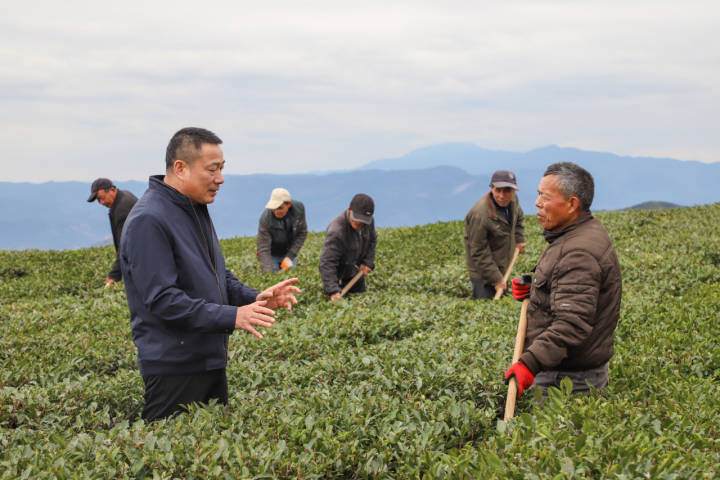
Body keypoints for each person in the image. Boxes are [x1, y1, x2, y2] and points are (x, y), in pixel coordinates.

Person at [119, 127, 301, 422]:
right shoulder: (149, 220)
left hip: (208, 359)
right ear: (181, 168)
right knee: (171, 462)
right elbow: (163, 300)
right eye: (212, 169)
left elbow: (217, 276)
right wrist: (232, 316)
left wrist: (255, 298)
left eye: (222, 168)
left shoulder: (195, 208)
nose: (220, 178)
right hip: (175, 368)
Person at [504, 162, 622, 397]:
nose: (537, 203)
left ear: (572, 204)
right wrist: (536, 286)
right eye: (538, 194)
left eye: (544, 197)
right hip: (567, 369)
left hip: (567, 380)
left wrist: (529, 363)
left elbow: (572, 323)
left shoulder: (579, 252)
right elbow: (567, 286)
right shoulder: (580, 231)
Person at [464, 170, 526, 299]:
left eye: (507, 191)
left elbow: (518, 218)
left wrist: (519, 239)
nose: (502, 196)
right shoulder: (480, 214)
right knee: (486, 308)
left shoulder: (513, 201)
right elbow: (478, 251)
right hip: (483, 273)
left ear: (514, 191)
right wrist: (496, 279)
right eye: (498, 190)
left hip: (503, 265)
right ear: (491, 188)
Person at [319, 193, 377, 300]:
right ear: (350, 210)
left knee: (361, 304)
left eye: (362, 221)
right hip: (339, 278)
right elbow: (327, 263)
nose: (358, 224)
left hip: (356, 274)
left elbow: (372, 240)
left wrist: (367, 262)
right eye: (356, 219)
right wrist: (333, 290)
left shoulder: (368, 221)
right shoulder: (336, 231)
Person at [87, 178, 138, 287]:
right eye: (98, 200)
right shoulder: (124, 196)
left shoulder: (122, 209)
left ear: (112, 190)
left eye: (102, 198)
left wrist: (113, 276)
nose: (101, 203)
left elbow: (124, 246)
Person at [256, 188, 307, 272]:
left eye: (279, 208)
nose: (276, 211)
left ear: (289, 204)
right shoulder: (265, 219)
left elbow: (302, 233)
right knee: (273, 275)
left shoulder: (299, 209)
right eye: (273, 208)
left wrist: (290, 256)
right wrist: (268, 273)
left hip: (289, 251)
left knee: (290, 276)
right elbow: (263, 248)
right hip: (272, 254)